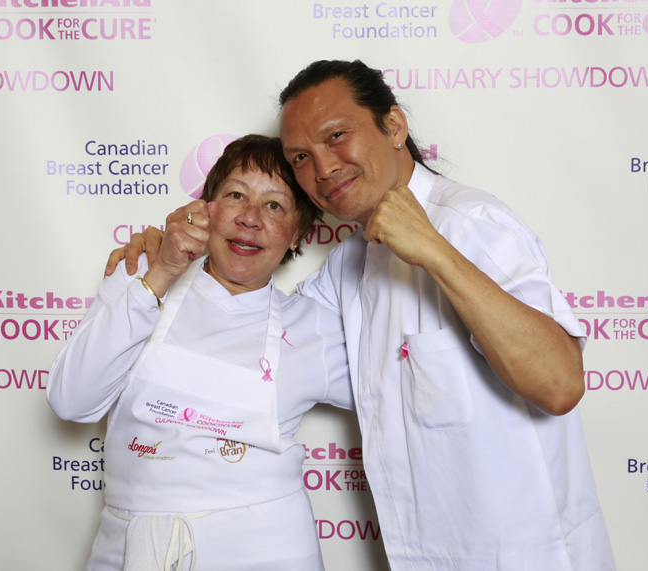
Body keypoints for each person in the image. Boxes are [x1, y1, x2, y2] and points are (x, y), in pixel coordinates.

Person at [109, 60, 615, 570]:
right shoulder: (349, 265)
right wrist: (166, 266)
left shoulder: (473, 224)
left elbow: (559, 384)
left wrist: (434, 251)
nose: (323, 168)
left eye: (337, 136)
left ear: (393, 126)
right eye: (301, 157)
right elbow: (249, 325)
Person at [48, 134, 353, 571]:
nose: (249, 218)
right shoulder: (142, 276)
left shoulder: (313, 326)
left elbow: (405, 394)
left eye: (274, 206)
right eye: (236, 195)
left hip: (267, 550)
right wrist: (162, 272)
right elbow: (71, 402)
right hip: (130, 548)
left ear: (296, 235)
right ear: (207, 209)